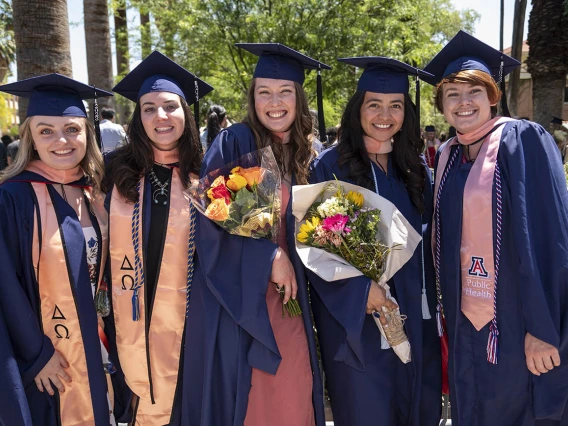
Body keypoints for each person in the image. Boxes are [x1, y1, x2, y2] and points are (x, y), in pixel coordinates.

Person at [423, 30, 568, 425]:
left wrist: (542, 327)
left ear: (493, 96)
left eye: (474, 91)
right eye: (452, 94)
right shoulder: (450, 156)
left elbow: (549, 237)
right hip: (466, 322)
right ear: (442, 105)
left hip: (515, 324)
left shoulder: (523, 142)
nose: (463, 102)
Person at [197, 42, 330, 426]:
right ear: (252, 97)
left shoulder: (309, 153)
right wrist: (268, 256)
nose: (275, 102)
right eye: (264, 92)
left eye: (285, 91)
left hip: (291, 302)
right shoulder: (236, 142)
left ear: (299, 98)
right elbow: (212, 217)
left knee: (294, 387)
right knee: (258, 396)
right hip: (246, 300)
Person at [308, 56, 441, 426]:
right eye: (374, 104)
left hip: (415, 320)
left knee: (419, 407)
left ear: (406, 112)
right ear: (358, 109)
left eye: (395, 105)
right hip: (359, 327)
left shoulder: (415, 169)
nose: (385, 114)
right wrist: (359, 291)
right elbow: (319, 247)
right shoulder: (332, 166)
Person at [0, 73, 122, 425]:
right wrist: (36, 354)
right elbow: (4, 285)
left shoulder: (94, 192)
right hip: (46, 360)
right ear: (31, 139)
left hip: (97, 345)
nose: (61, 141)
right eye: (46, 131)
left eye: (72, 129)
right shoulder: (13, 199)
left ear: (87, 133)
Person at [105, 50, 213, 425]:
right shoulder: (115, 172)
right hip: (129, 311)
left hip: (192, 319)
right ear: (139, 119)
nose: (160, 117)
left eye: (169, 106)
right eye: (148, 108)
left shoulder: (209, 176)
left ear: (186, 112)